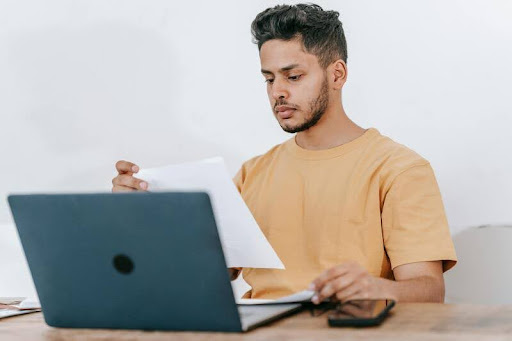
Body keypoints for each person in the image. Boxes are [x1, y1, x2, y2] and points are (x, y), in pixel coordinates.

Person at [112, 4, 457, 304]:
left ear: (337, 74)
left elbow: (428, 290)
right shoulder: (253, 173)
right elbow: (201, 274)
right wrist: (142, 218)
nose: (278, 92)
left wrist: (377, 288)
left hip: (344, 330)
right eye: (269, 79)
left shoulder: (398, 169)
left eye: (293, 76)